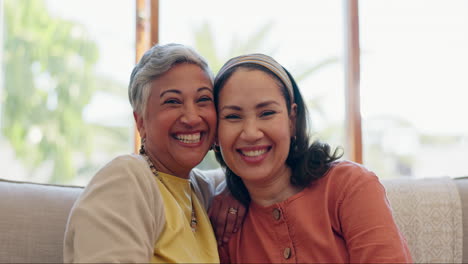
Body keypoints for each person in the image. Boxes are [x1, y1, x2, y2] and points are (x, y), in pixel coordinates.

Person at [209, 53, 413, 263]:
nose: (251, 133)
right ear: (215, 133)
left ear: (292, 119)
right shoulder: (224, 224)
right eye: (232, 116)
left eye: (267, 113)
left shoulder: (348, 186)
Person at [63, 43, 227, 263]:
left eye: (203, 100)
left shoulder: (202, 190)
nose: (192, 117)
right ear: (141, 122)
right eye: (172, 102)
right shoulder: (126, 180)